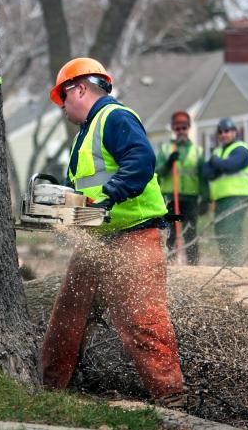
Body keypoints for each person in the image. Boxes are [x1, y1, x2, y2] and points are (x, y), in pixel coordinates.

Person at [40, 57, 185, 405]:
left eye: (63, 98)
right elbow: (82, 189)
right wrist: (64, 215)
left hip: (134, 234)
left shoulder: (115, 117)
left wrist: (108, 198)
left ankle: (172, 398)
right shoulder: (85, 135)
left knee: (142, 318)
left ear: (79, 89)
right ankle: (48, 391)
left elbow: (140, 161)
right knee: (67, 317)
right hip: (96, 240)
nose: (62, 108)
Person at [155, 111, 206, 265]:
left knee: (190, 232)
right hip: (170, 198)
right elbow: (157, 173)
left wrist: (206, 197)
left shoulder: (197, 151)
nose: (181, 131)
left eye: (184, 128)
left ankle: (193, 265)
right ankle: (171, 265)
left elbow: (203, 177)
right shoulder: (165, 149)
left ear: (189, 127)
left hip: (190, 199)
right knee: (170, 234)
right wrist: (169, 163)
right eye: (177, 128)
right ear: (172, 129)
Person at [203, 117, 248, 266]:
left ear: (234, 132)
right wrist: (219, 165)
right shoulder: (219, 151)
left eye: (227, 131)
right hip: (221, 199)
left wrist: (216, 163)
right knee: (220, 231)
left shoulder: (241, 149)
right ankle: (228, 264)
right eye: (220, 132)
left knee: (230, 229)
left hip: (237, 196)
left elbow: (231, 165)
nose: (224, 134)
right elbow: (206, 172)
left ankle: (235, 264)